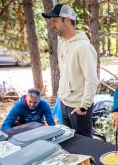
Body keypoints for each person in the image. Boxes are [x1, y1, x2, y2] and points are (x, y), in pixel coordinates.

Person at [42, 4, 98, 137]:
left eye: (55, 21)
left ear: (67, 20)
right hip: (64, 103)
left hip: (79, 107)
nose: (52, 25)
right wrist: (61, 97)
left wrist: (84, 106)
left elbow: (92, 80)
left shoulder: (84, 47)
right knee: (70, 142)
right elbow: (64, 73)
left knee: (84, 145)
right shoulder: (62, 43)